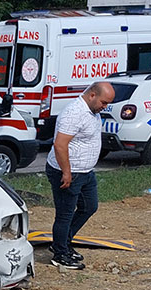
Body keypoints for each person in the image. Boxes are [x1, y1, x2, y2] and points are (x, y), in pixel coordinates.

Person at [46, 81, 115, 270]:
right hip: (67, 172)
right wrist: (66, 173)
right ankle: (60, 254)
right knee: (65, 214)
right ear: (92, 95)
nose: (105, 107)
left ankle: (63, 242)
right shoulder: (74, 113)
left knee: (89, 206)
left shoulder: (93, 112)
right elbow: (60, 145)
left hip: (85, 171)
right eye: (103, 102)